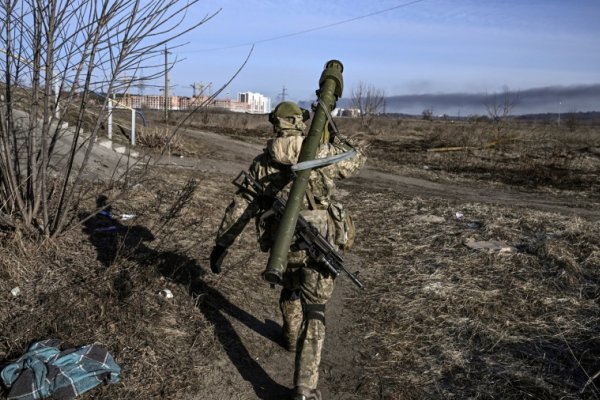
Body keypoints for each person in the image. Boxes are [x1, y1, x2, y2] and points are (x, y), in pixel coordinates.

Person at [209, 101, 366, 400]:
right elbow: (357, 159)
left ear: (275, 124)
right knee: (315, 309)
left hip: (284, 245)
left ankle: (290, 336)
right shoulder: (319, 155)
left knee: (290, 287)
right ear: (301, 122)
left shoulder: (264, 162)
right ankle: (304, 387)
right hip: (320, 241)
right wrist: (336, 136)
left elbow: (242, 205)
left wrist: (221, 244)